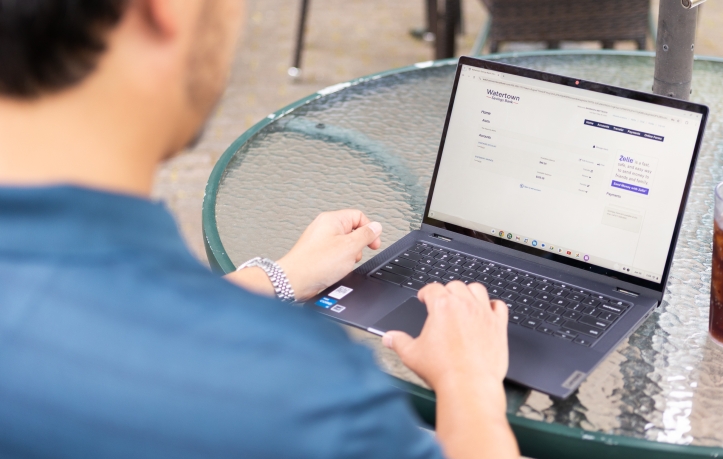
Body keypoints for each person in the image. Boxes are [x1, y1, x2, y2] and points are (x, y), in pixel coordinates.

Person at [0, 1, 520, 458]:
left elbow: (101, 331)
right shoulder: (292, 392)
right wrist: (468, 389)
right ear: (164, 9)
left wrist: (280, 276)